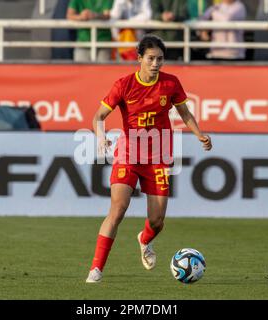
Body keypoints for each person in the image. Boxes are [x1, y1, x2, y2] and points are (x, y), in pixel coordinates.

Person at [86, 34, 212, 283]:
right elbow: (98, 117)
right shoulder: (124, 85)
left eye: (160, 59)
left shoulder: (170, 84)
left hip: (157, 158)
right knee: (118, 209)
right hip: (128, 155)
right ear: (139, 57)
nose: (156, 64)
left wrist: (200, 134)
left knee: (157, 221)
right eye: (151, 58)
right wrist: (101, 138)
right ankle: (96, 269)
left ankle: (144, 241)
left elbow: (185, 114)